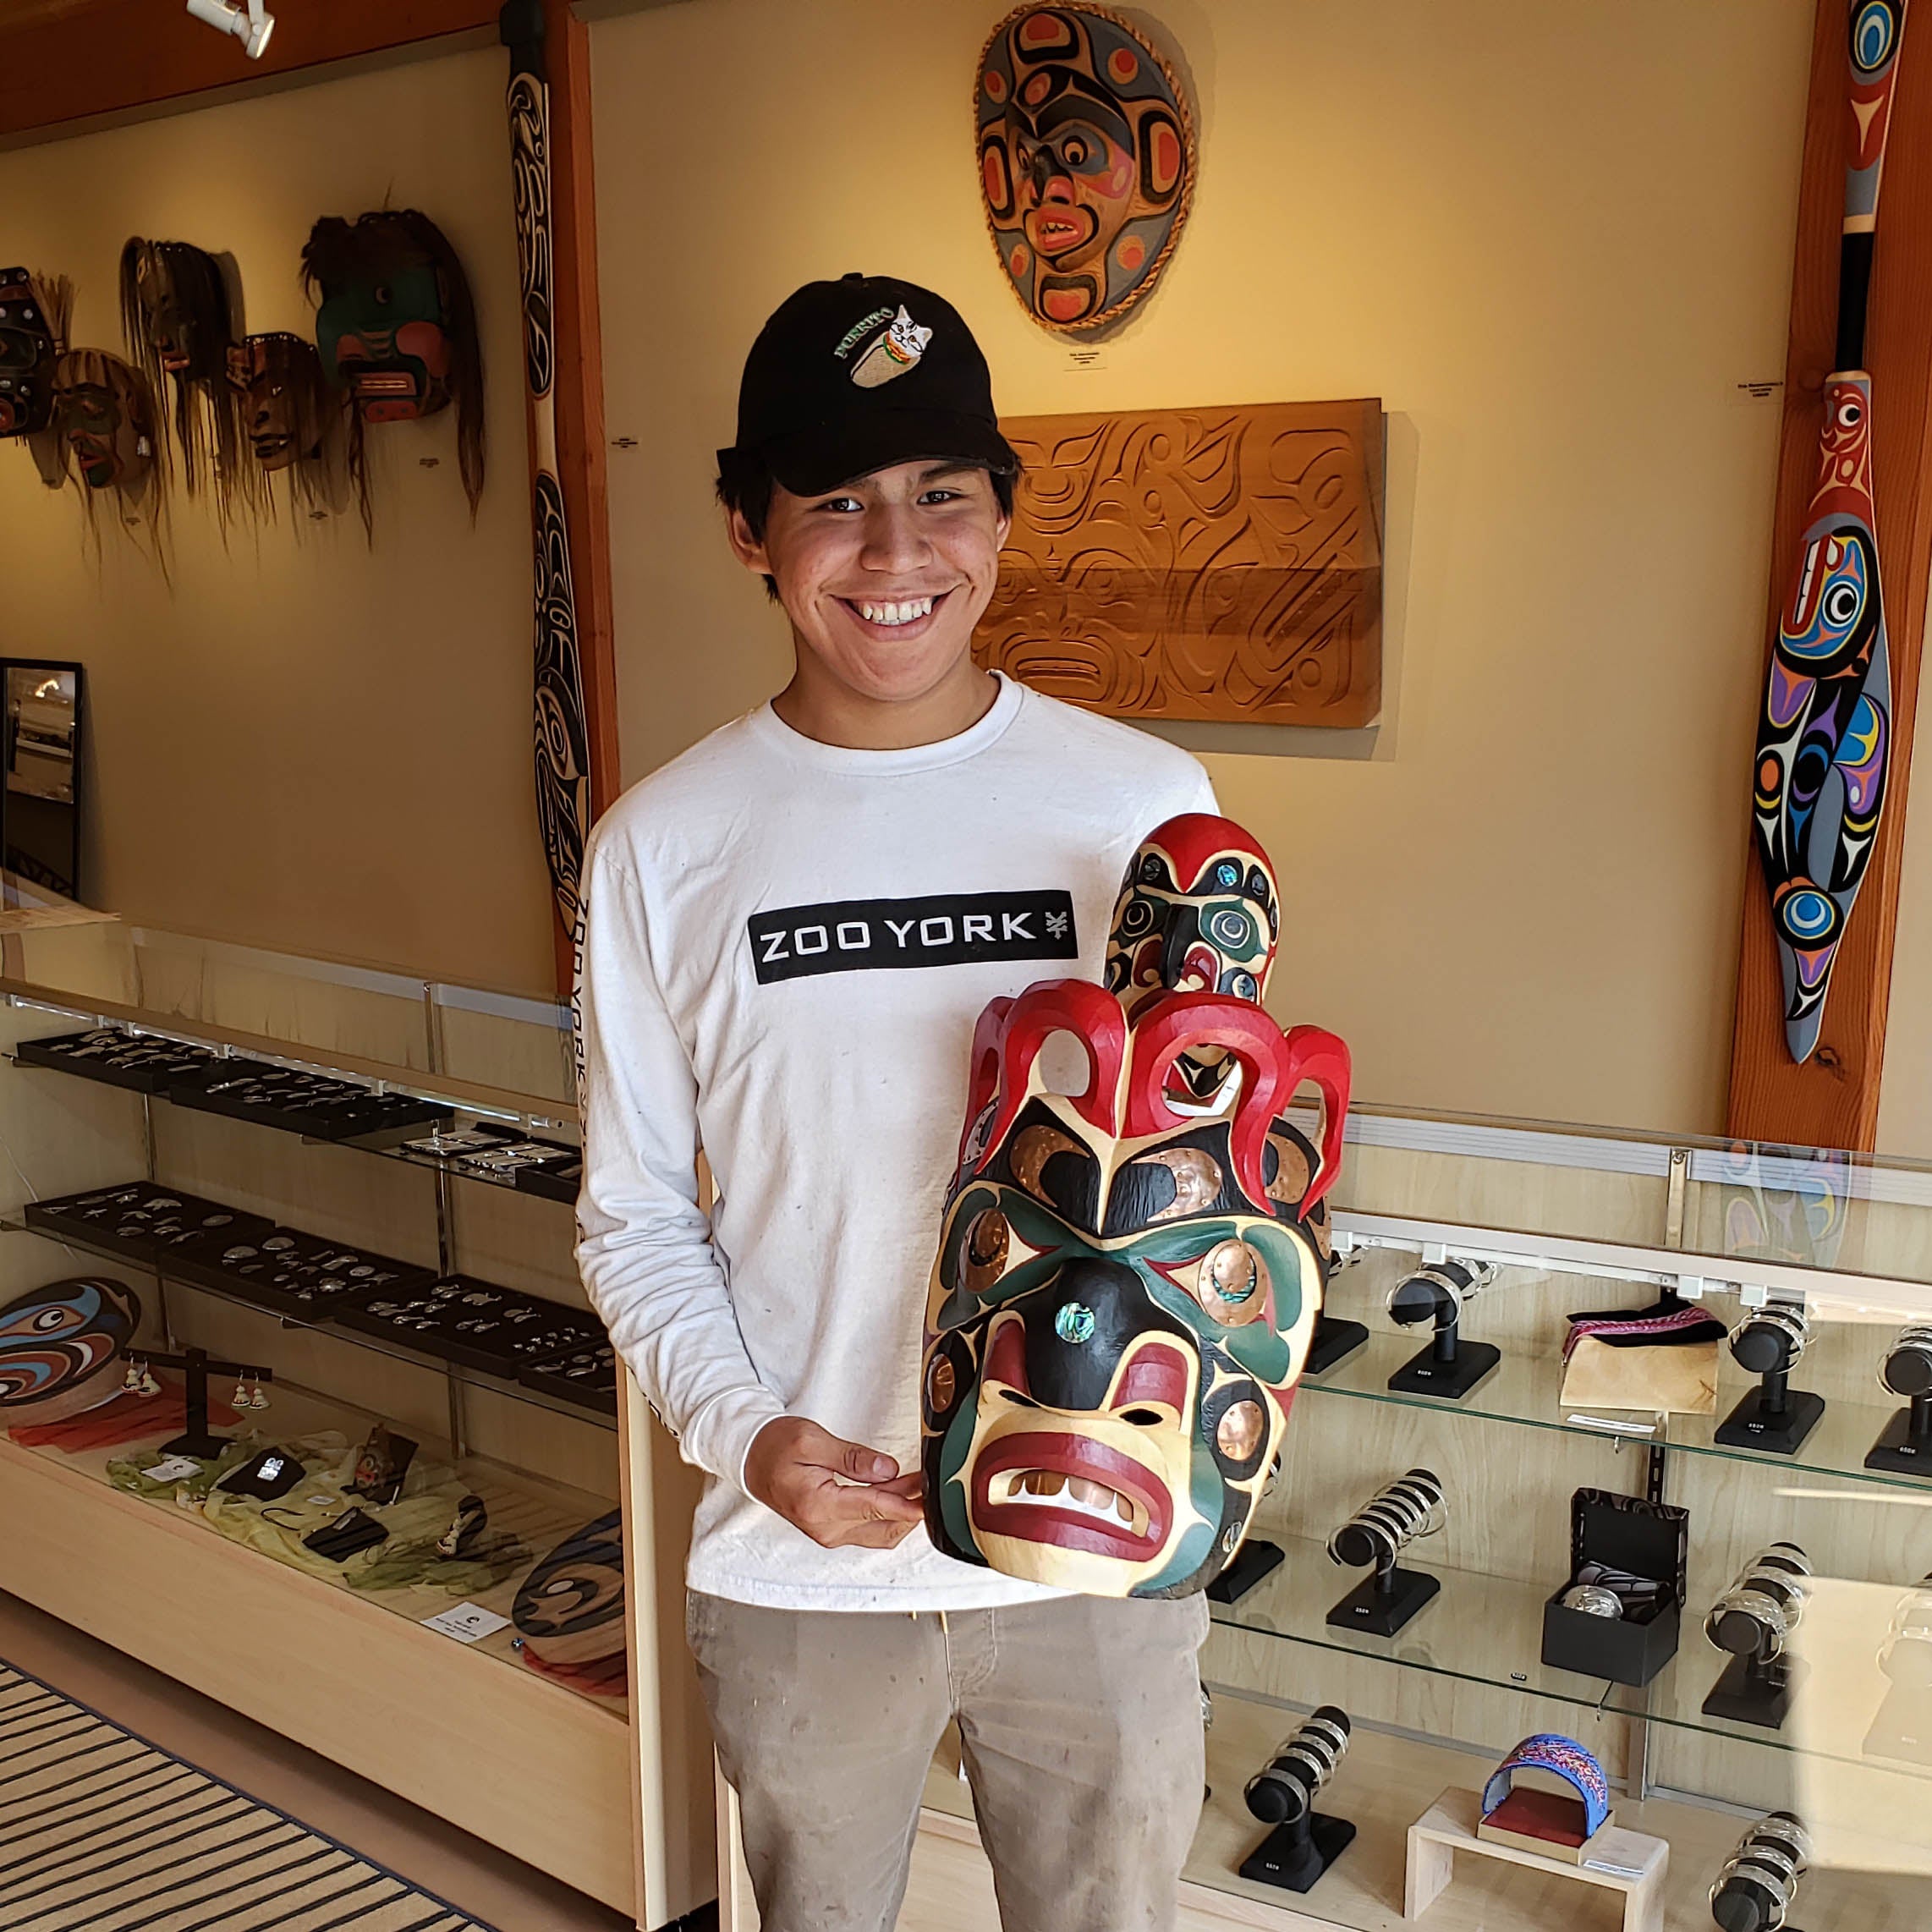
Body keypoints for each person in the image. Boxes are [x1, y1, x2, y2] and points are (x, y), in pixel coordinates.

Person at [574, 273, 1219, 1932]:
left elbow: (1196, 1179)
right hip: (803, 1561)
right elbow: (635, 1215)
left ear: (1000, 510)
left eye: (941, 492)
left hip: (1090, 1538)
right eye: (834, 502)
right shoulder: (663, 844)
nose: (894, 550)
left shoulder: (1142, 807)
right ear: (747, 525)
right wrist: (752, 1435)